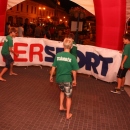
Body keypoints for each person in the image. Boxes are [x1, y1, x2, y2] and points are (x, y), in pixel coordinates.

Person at [50, 38, 79, 119]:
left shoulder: (58, 55)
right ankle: (67, 114)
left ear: (63, 45)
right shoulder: (72, 57)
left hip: (58, 79)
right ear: (71, 47)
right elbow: (74, 71)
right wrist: (75, 80)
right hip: (67, 79)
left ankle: (61, 106)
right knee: (69, 97)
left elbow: (53, 67)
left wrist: (51, 76)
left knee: (62, 91)